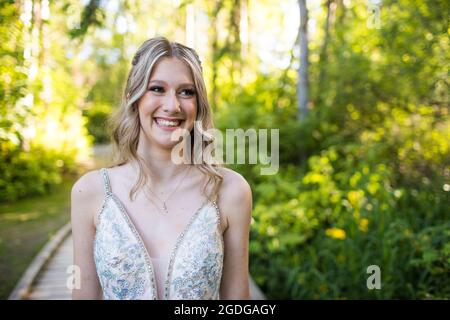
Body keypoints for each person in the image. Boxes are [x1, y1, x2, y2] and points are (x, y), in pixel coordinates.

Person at [71, 37, 253, 300]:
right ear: (132, 96)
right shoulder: (90, 192)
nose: (172, 105)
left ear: (198, 104)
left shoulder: (231, 191)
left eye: (186, 92)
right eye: (157, 89)